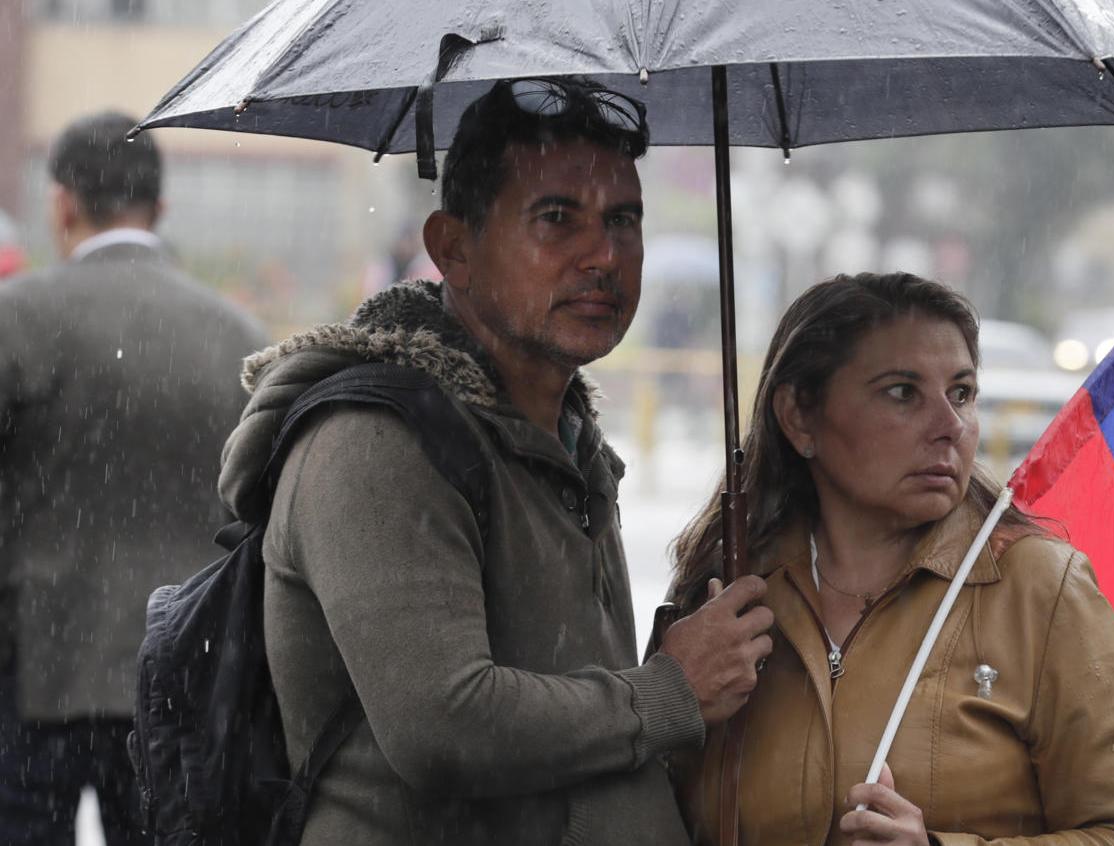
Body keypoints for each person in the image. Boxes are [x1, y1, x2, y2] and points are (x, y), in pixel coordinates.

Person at [218, 77, 771, 844]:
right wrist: (669, 690)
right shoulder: (379, 442)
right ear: (454, 248)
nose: (603, 256)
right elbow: (444, 726)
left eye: (624, 220)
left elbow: (576, 708)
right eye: (557, 219)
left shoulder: (565, 436)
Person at [668, 273, 1114, 845]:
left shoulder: (1041, 588)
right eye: (902, 392)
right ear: (798, 417)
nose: (950, 427)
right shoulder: (726, 594)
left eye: (961, 393)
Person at [0, 111, 267, 844]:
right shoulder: (238, 339)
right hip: (184, 677)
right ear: (160, 206)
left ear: (62, 202)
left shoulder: (18, 319)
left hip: (32, 672)